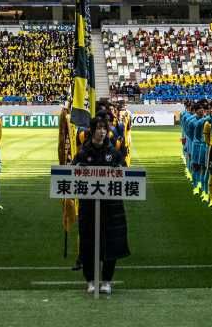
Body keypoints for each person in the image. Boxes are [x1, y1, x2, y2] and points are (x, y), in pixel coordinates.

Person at [74, 117, 130, 294]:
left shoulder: (113, 152)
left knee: (110, 243)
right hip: (88, 207)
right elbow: (71, 174)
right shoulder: (83, 153)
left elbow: (125, 171)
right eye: (99, 128)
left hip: (111, 207)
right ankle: (90, 280)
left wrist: (118, 171)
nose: (102, 131)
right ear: (92, 130)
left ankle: (107, 281)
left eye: (104, 128)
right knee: (88, 243)